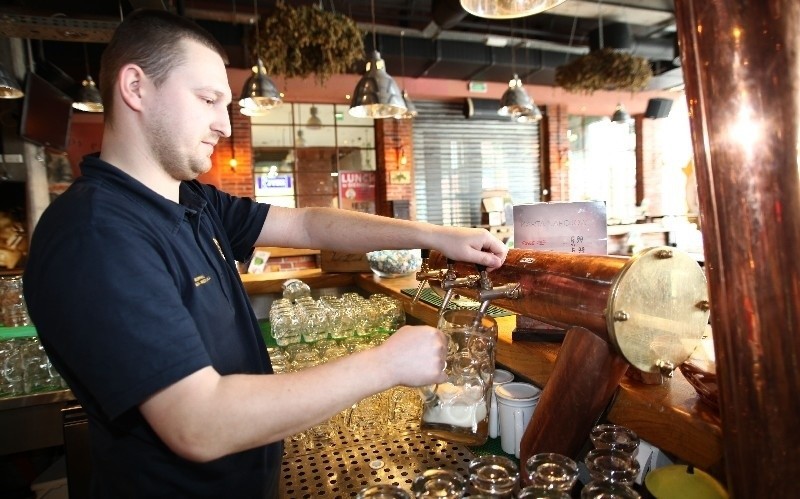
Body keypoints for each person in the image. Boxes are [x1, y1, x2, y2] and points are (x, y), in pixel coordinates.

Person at [22, 9, 508, 499]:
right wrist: (385, 364)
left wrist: (435, 236)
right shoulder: (98, 235)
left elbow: (307, 222)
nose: (223, 125)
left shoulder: (191, 200)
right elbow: (198, 423)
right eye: (208, 99)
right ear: (135, 87)